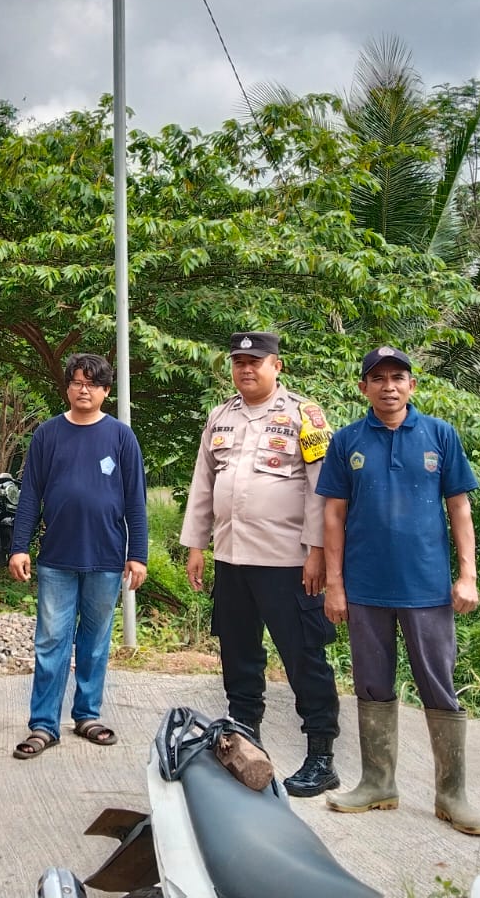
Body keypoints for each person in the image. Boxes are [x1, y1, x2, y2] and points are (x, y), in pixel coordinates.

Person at [317, 345, 480, 836]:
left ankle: (452, 795)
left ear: (412, 385)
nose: (389, 386)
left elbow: (460, 509)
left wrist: (467, 575)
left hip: (428, 587)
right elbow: (333, 516)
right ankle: (377, 783)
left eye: (398, 377)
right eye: (379, 378)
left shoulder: (440, 435)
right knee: (372, 683)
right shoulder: (347, 440)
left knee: (439, 684)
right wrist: (335, 584)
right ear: (364, 388)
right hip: (365, 586)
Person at [179, 330, 341, 797]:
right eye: (238, 361)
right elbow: (203, 483)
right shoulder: (221, 416)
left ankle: (321, 755)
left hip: (288, 561)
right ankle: (244, 738)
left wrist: (317, 552)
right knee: (237, 651)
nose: (246, 369)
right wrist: (196, 545)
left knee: (304, 655)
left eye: (256, 360)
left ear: (277, 366)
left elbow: (321, 487)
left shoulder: (303, 416)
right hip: (233, 557)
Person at [8, 352, 149, 759]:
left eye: (93, 383)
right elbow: (30, 494)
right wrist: (20, 546)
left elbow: (135, 502)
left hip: (106, 559)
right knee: (51, 642)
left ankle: (87, 714)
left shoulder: (121, 437)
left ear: (106, 391)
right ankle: (43, 725)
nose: (83, 389)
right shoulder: (48, 435)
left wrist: (137, 554)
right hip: (56, 558)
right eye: (77, 382)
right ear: (67, 387)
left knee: (95, 642)